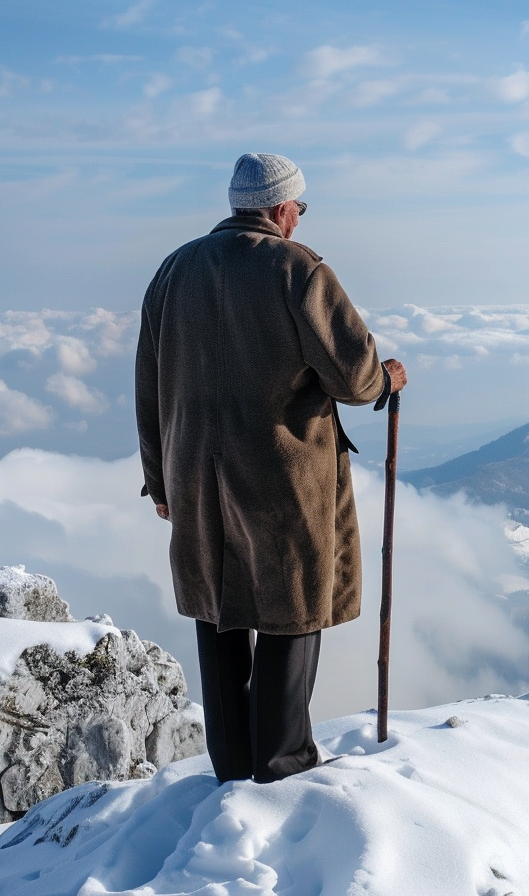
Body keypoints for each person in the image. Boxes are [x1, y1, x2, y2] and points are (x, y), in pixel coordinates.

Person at [135, 152, 407, 784]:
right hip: (283, 477)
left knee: (219, 610)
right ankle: (281, 764)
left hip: (195, 476)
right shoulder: (296, 268)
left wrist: (160, 479)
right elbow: (354, 376)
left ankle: (231, 765)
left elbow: (149, 386)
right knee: (294, 605)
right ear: (283, 208)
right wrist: (386, 378)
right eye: (300, 209)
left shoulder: (173, 271)